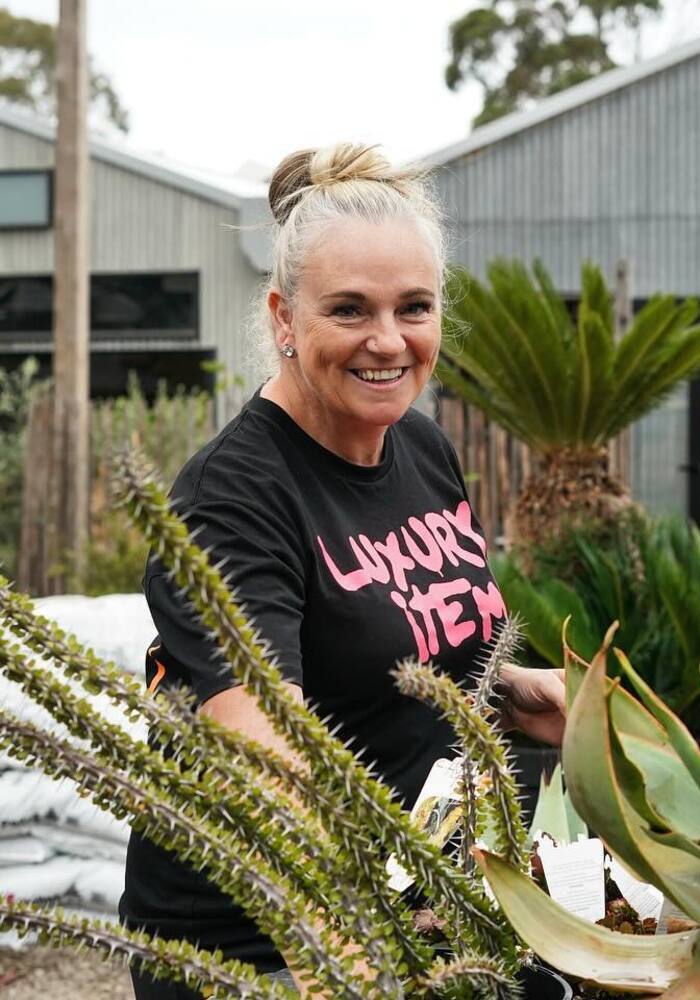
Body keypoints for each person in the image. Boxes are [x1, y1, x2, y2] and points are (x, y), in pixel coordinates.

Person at [119, 143, 567, 999]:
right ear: (285, 317)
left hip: (420, 908)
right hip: (267, 949)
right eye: (350, 310)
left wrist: (509, 691)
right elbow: (268, 762)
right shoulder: (231, 499)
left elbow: (379, 648)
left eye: (415, 307)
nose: (388, 341)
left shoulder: (423, 448)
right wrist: (368, 952)